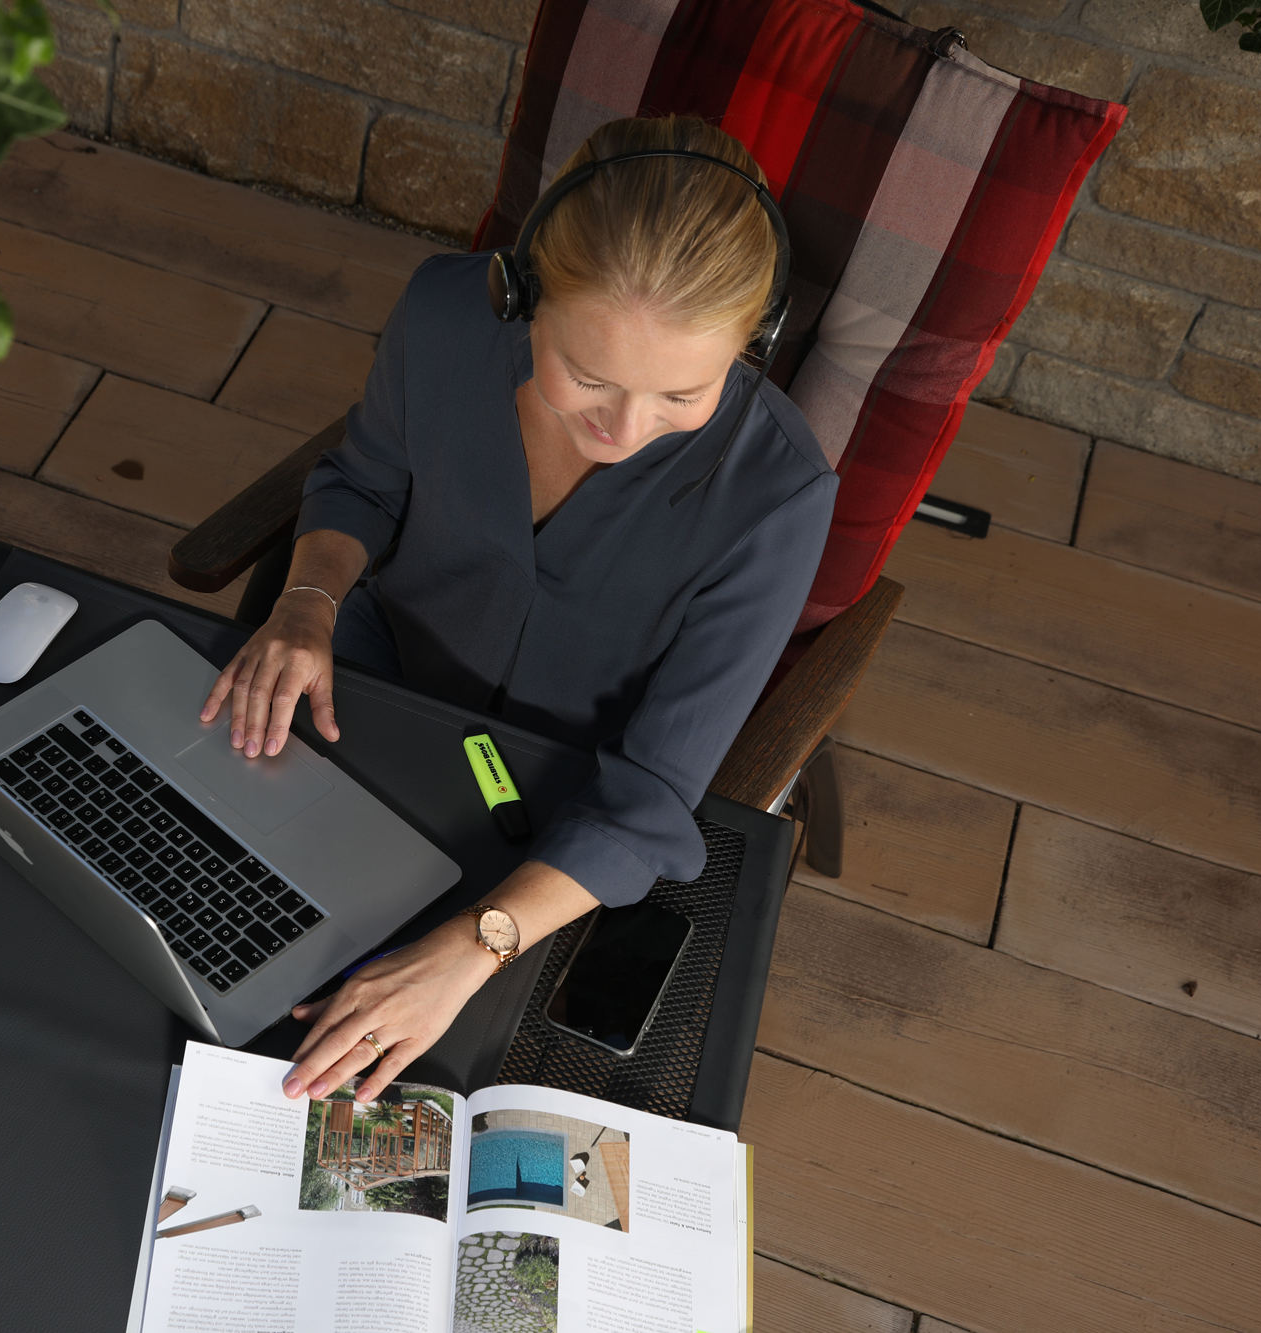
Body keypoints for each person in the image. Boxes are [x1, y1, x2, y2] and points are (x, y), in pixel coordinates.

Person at [199, 115, 837, 1106]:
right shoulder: (443, 317)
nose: (622, 428)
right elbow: (361, 482)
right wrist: (307, 598)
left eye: (683, 391)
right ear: (522, 292)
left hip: (551, 828)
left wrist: (473, 946)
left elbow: (650, 795)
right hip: (368, 702)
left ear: (749, 345)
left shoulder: (777, 496)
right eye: (585, 375)